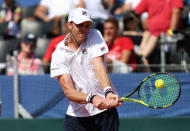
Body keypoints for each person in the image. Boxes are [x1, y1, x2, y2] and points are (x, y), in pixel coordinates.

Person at [50, 8, 121, 131]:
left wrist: (108, 91)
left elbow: (98, 65)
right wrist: (92, 98)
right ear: (69, 25)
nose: (84, 30)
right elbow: (69, 91)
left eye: (87, 26)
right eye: (79, 25)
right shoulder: (58, 54)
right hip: (77, 118)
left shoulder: (94, 35)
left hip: (106, 114)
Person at [134, 0, 184, 65]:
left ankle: (141, 58)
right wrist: (142, 24)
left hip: (167, 34)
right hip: (150, 32)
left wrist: (171, 33)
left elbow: (177, 13)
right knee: (147, 34)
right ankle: (140, 57)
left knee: (154, 36)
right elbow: (135, 13)